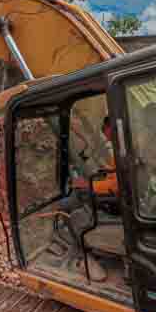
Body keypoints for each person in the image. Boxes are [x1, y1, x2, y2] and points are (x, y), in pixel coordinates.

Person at [55, 116, 118, 280]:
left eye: (105, 131)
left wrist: (89, 185)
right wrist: (104, 171)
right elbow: (114, 173)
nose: (105, 136)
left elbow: (117, 184)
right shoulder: (127, 145)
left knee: (69, 205)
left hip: (117, 201)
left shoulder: (121, 145)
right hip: (120, 194)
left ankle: (82, 250)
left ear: (110, 128)